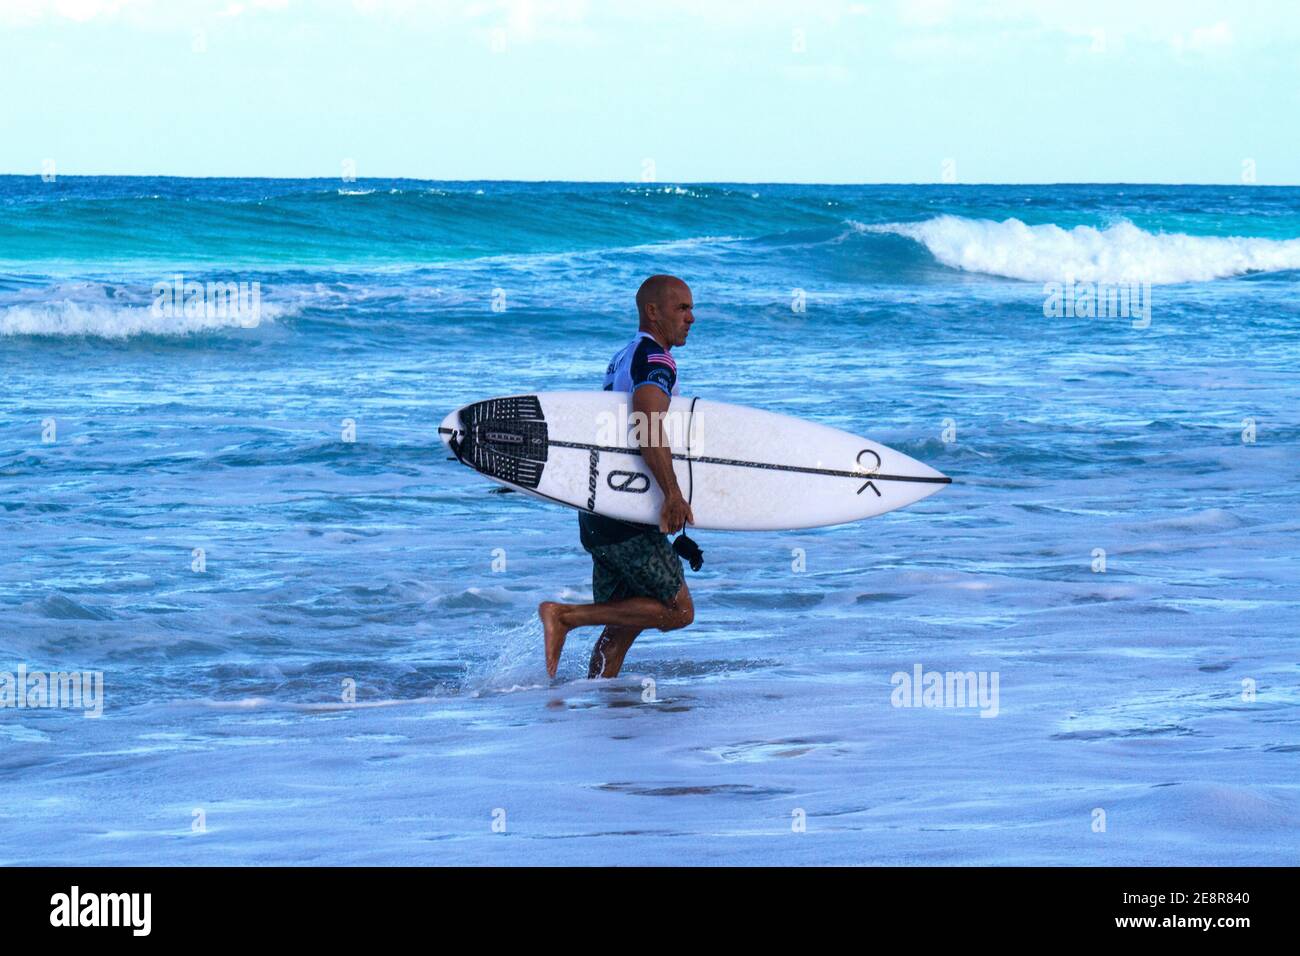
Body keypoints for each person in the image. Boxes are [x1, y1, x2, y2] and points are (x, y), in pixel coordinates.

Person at [538, 274, 697, 679]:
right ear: (653, 312)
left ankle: (603, 706)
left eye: (691, 308)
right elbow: (646, 422)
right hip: (626, 509)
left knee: (622, 627)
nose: (691, 318)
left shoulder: (624, 356)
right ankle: (565, 616)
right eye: (682, 308)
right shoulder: (656, 360)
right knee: (677, 611)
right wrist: (673, 494)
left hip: (598, 506)